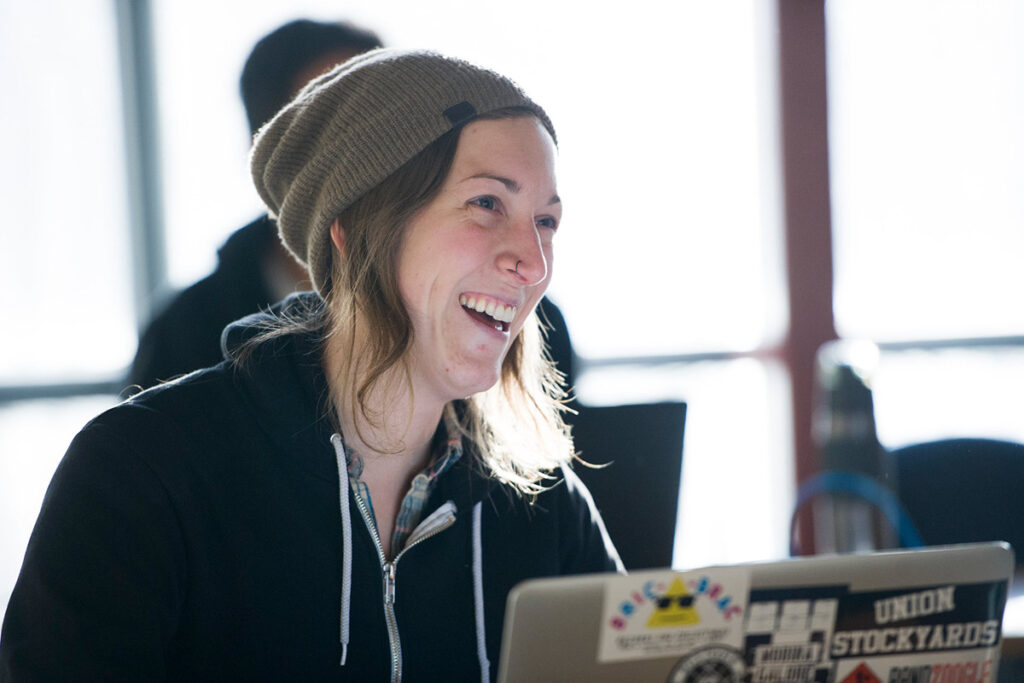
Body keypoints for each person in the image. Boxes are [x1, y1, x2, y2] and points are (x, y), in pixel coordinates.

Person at [0, 49, 620, 681]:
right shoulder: (142, 470)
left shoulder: (541, 501)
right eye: (487, 204)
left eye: (546, 221)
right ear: (354, 228)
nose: (533, 263)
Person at [129, 19, 579, 393]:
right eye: (330, 119)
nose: (365, 142)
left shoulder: (527, 333)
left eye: (383, 115)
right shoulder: (186, 331)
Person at [127, 19, 383, 390]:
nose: (369, 151)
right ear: (267, 152)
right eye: (334, 126)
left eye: (381, 123)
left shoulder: (439, 299)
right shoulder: (187, 329)